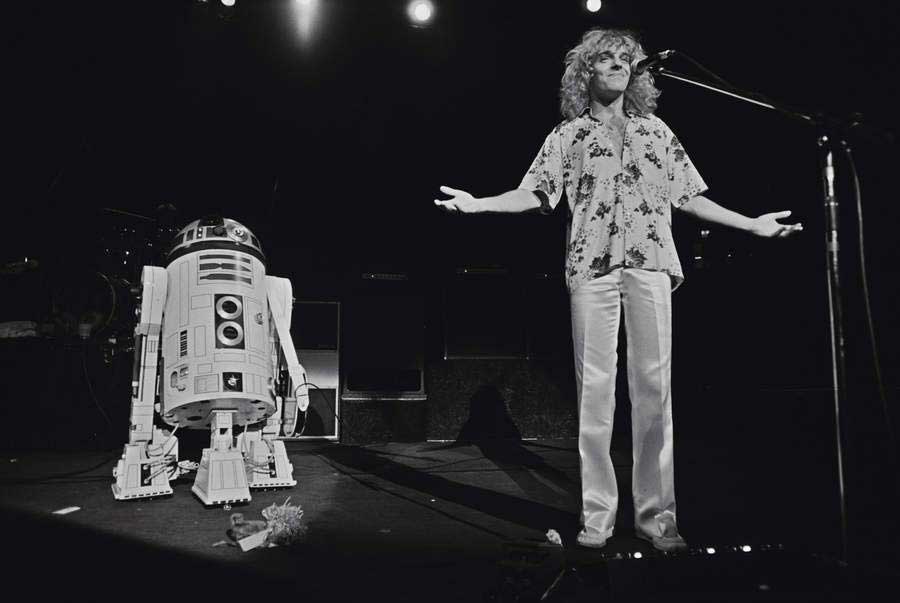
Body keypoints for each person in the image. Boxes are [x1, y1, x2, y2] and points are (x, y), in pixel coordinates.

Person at [434, 28, 802, 552]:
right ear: (586, 71)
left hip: (651, 265)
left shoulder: (657, 131)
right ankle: (598, 517)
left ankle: (658, 520)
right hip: (592, 269)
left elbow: (691, 196)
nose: (618, 68)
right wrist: (478, 204)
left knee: (654, 395)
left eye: (626, 62)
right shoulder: (568, 136)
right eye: (606, 61)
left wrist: (751, 224)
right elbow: (534, 193)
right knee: (595, 396)